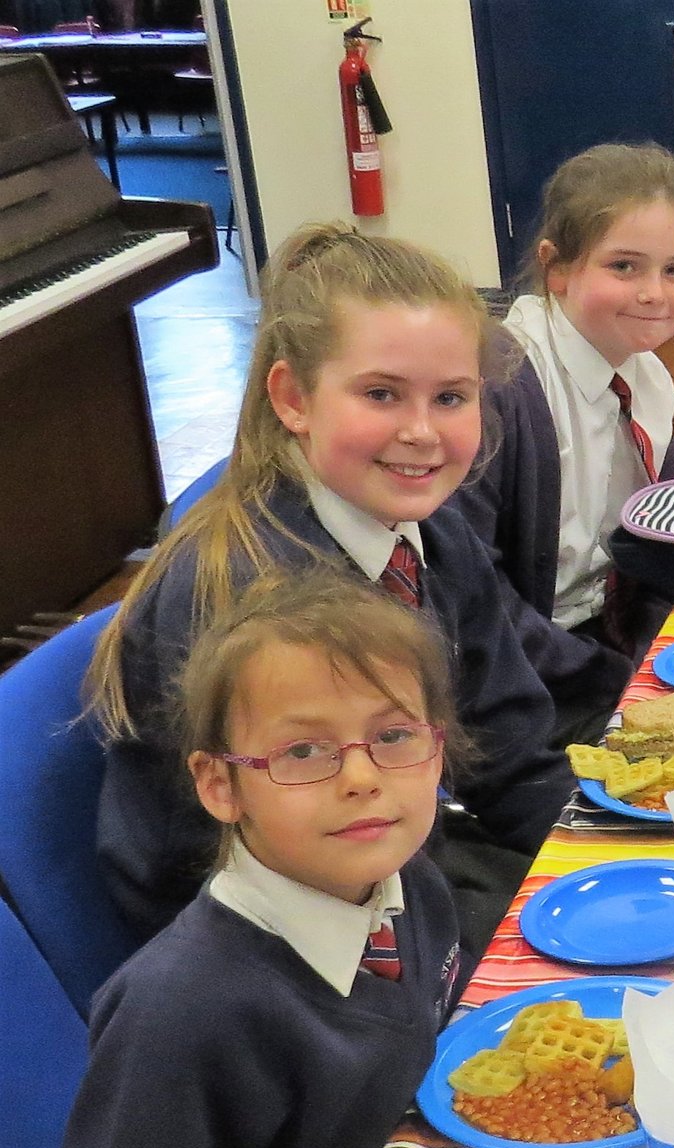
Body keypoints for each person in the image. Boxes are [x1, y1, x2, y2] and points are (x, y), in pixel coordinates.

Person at [88, 222, 573, 953]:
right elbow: (259, 867)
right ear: (293, 398)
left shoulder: (430, 534)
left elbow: (510, 749)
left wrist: (605, 855)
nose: (422, 432)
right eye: (381, 394)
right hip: (269, 943)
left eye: (451, 398)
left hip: (390, 859)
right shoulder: (257, 607)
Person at [66, 571, 468, 1148]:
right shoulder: (176, 1018)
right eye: (302, 751)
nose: (362, 778)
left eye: (394, 735)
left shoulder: (408, 882)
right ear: (221, 785)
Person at [452, 142, 674, 745]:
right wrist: (617, 679)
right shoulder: (502, 387)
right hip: (514, 682)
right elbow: (471, 595)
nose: (654, 292)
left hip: (598, 647)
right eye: (623, 267)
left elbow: (647, 545)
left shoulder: (648, 379)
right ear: (557, 268)